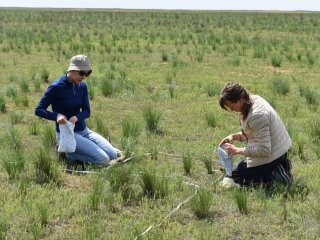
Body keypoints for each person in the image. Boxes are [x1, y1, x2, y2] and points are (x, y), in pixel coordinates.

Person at [35, 55, 120, 166]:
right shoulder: (56, 87)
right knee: (103, 160)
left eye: (87, 73)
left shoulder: (82, 86)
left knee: (113, 155)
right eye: (81, 73)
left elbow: (86, 111)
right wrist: (56, 116)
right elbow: (38, 110)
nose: (84, 77)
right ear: (72, 70)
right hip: (67, 134)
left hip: (84, 131)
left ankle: (74, 151)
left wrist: (76, 118)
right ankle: (69, 154)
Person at [218, 82, 293, 187]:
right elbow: (252, 133)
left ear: (240, 99)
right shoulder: (252, 100)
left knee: (237, 177)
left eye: (232, 106)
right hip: (275, 150)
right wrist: (233, 136)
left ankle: (278, 176)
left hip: (274, 154)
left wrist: (237, 150)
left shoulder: (256, 115)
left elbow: (264, 150)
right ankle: (277, 168)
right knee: (234, 174)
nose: (232, 110)